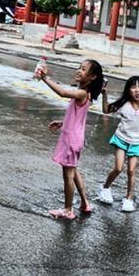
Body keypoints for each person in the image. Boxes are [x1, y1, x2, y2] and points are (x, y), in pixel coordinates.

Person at [39, 60, 104, 220]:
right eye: (79, 67)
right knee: (73, 171)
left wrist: (44, 78)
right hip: (74, 136)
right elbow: (77, 117)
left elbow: (62, 93)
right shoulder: (84, 93)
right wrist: (62, 122)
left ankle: (68, 210)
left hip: (71, 140)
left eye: (83, 69)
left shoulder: (82, 93)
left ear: (92, 76)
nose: (79, 71)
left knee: (67, 175)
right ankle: (85, 203)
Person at [98, 76, 139, 212]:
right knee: (118, 168)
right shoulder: (124, 104)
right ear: (128, 90)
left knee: (131, 171)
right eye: (133, 87)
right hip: (121, 139)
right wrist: (104, 95)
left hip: (137, 143)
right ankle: (105, 188)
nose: (137, 90)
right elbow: (106, 110)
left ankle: (128, 199)